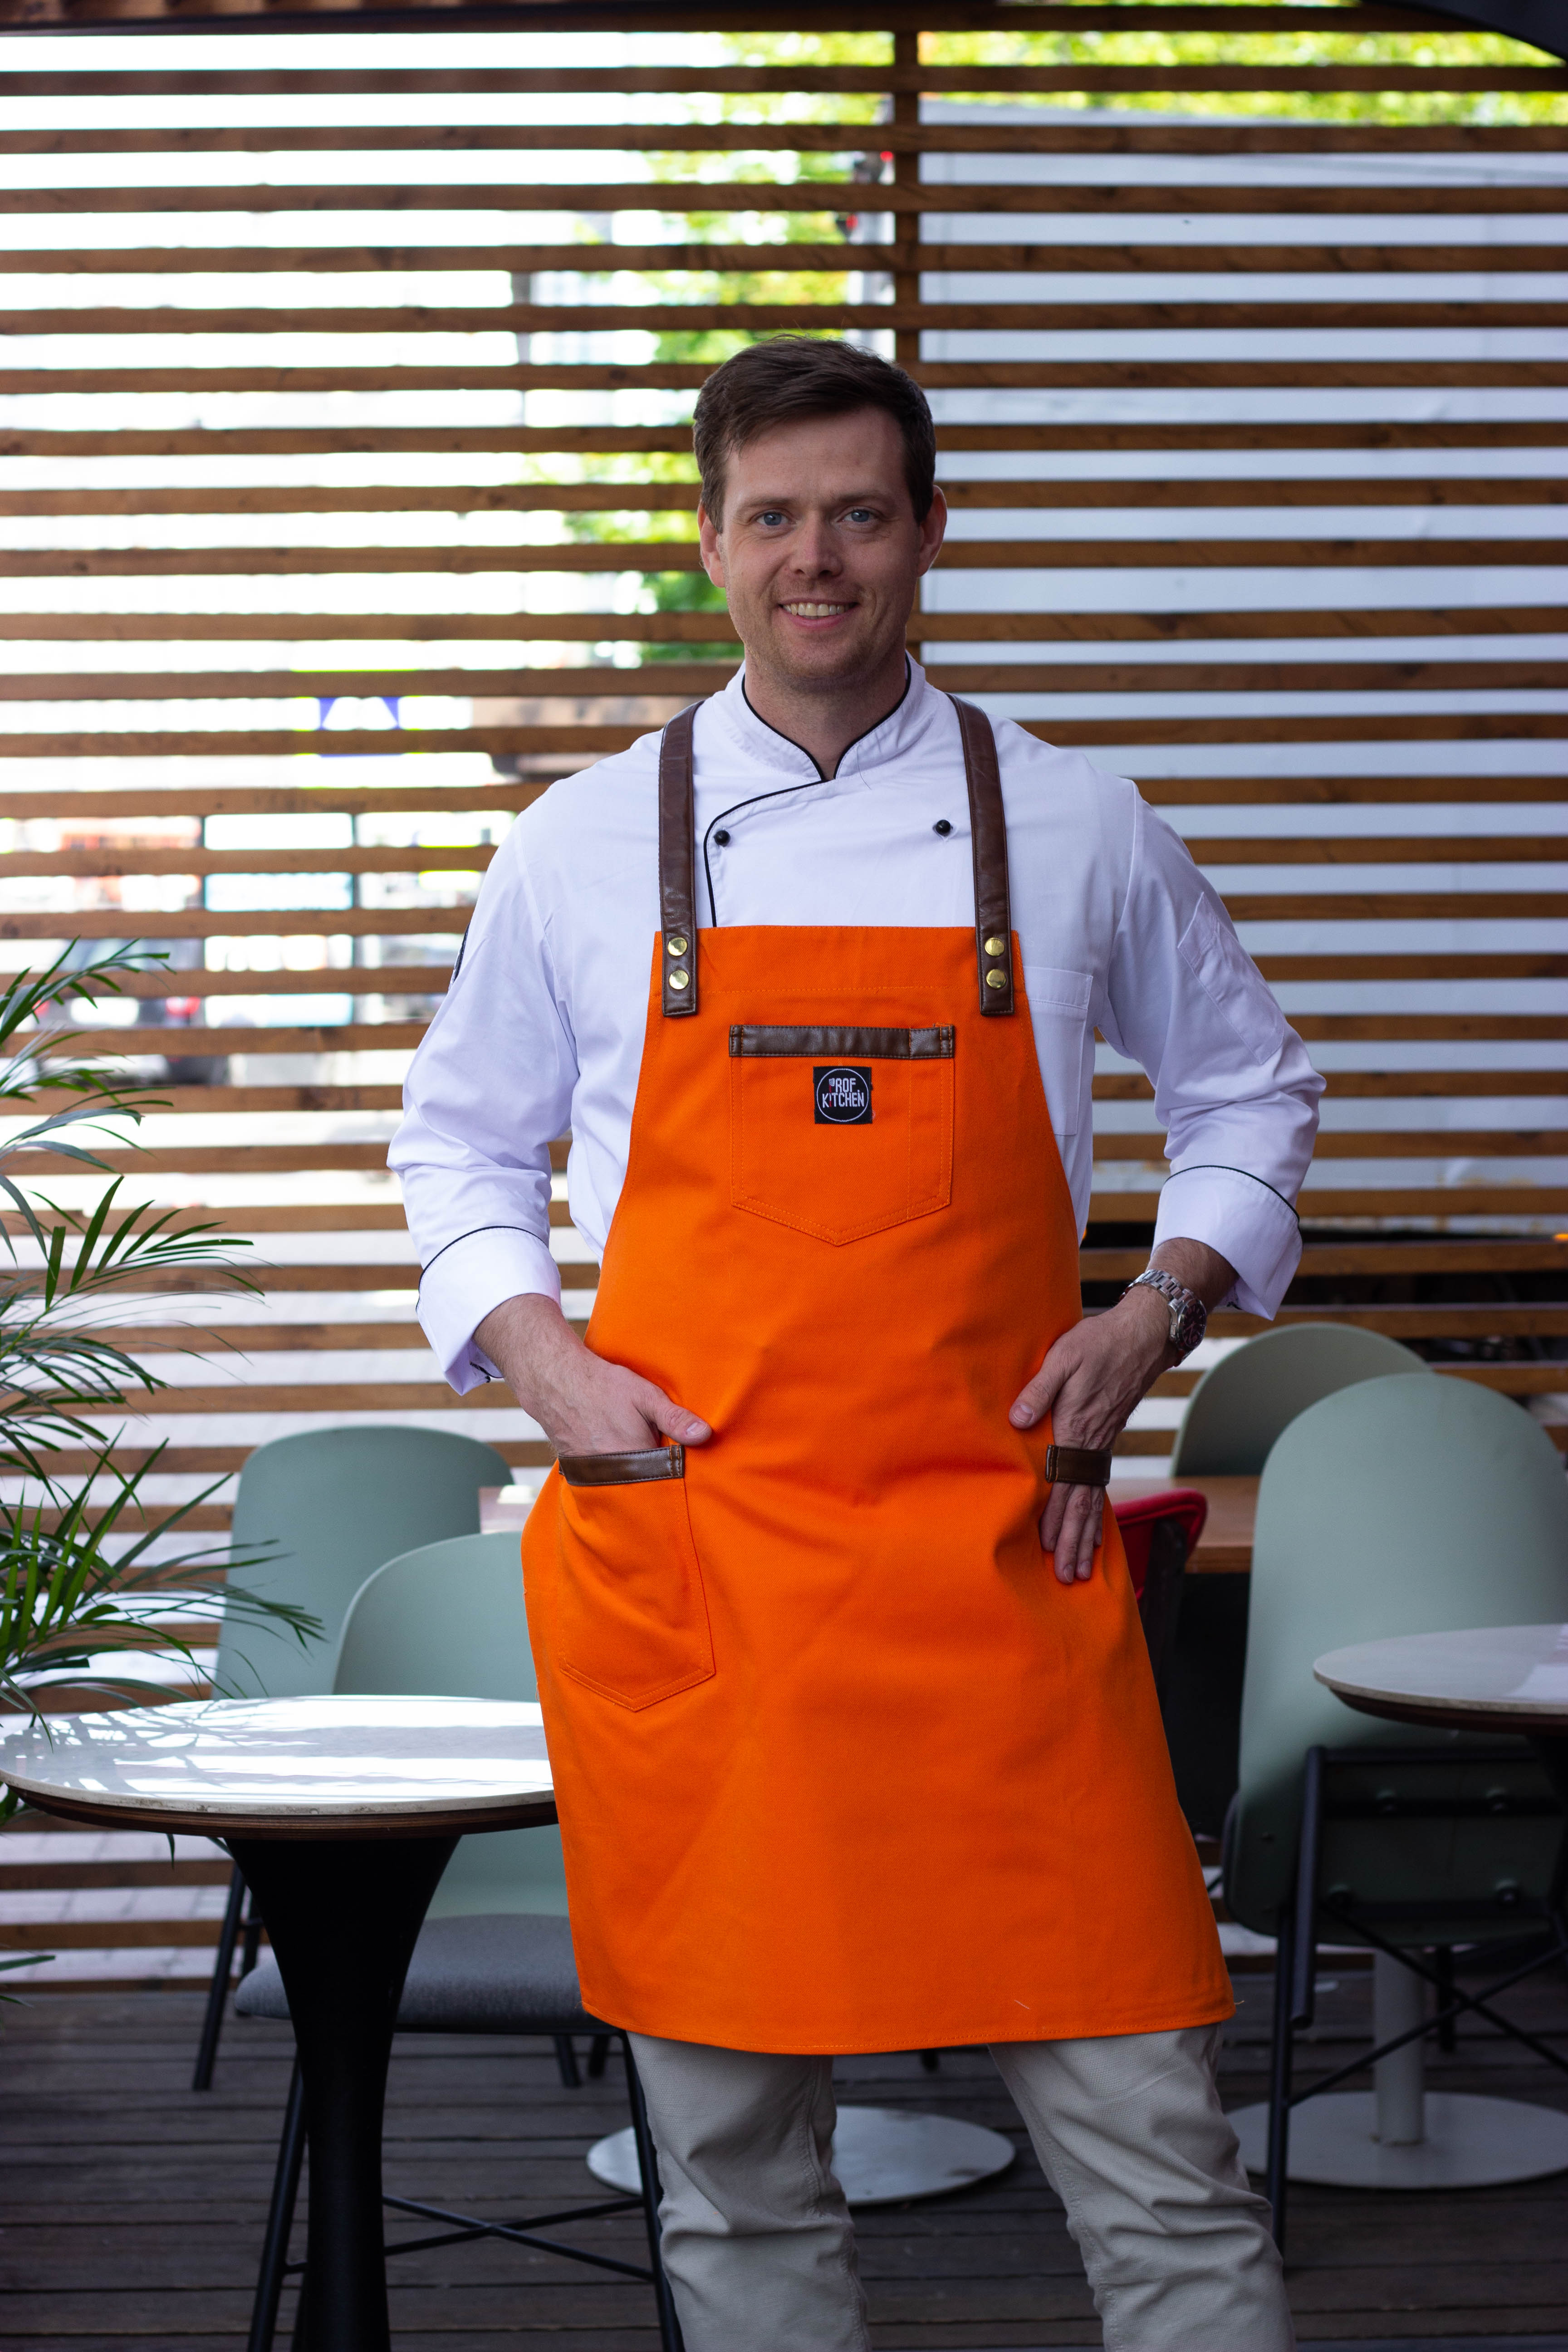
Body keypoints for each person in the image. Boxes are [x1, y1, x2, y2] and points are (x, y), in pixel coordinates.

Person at [392, 335, 1321, 2351]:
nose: (817, 557)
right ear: (712, 543)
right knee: (735, 2186)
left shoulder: (1075, 821)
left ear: (929, 533)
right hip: (707, 1580)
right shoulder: (575, 843)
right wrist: (543, 1360)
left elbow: (1254, 1094)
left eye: (861, 514)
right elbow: (457, 1144)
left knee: (1162, 2160)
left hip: (1007, 1575)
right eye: (776, 517)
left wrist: (1158, 1309)